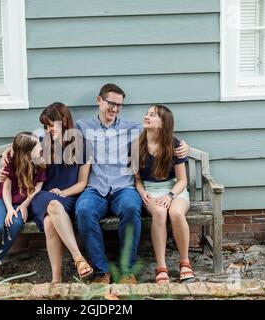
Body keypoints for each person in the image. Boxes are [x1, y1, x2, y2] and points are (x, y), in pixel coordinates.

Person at [74, 83, 190, 284]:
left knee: (130, 207)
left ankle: (127, 271)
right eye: (111, 103)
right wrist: (12, 151)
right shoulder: (82, 127)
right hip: (95, 188)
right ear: (99, 100)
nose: (115, 109)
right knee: (83, 210)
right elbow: (55, 142)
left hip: (124, 188)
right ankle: (101, 272)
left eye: (119, 106)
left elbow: (162, 137)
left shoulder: (134, 128)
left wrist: (185, 146)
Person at [0, 103, 94, 283]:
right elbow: (20, 151)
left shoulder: (82, 146)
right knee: (51, 204)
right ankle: (78, 259)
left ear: (64, 121)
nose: (48, 129)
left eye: (51, 124)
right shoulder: (42, 143)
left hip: (68, 197)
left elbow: (82, 183)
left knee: (50, 222)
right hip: (40, 195)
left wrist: (63, 192)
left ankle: (56, 280)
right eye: (46, 126)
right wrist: (7, 151)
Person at [0, 132, 46, 283]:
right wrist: (9, 209)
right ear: (27, 152)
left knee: (16, 224)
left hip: (21, 203)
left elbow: (38, 188)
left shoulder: (40, 162)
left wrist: (24, 205)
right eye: (37, 145)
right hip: (2, 199)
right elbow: (5, 189)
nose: (41, 146)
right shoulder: (11, 161)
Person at [134, 105, 194, 283]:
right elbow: (136, 179)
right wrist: (142, 191)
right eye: (146, 113)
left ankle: (185, 262)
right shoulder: (136, 146)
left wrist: (169, 195)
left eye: (152, 115)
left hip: (175, 189)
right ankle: (161, 267)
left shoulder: (175, 145)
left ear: (162, 123)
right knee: (159, 212)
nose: (146, 116)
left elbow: (182, 180)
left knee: (175, 212)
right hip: (150, 190)